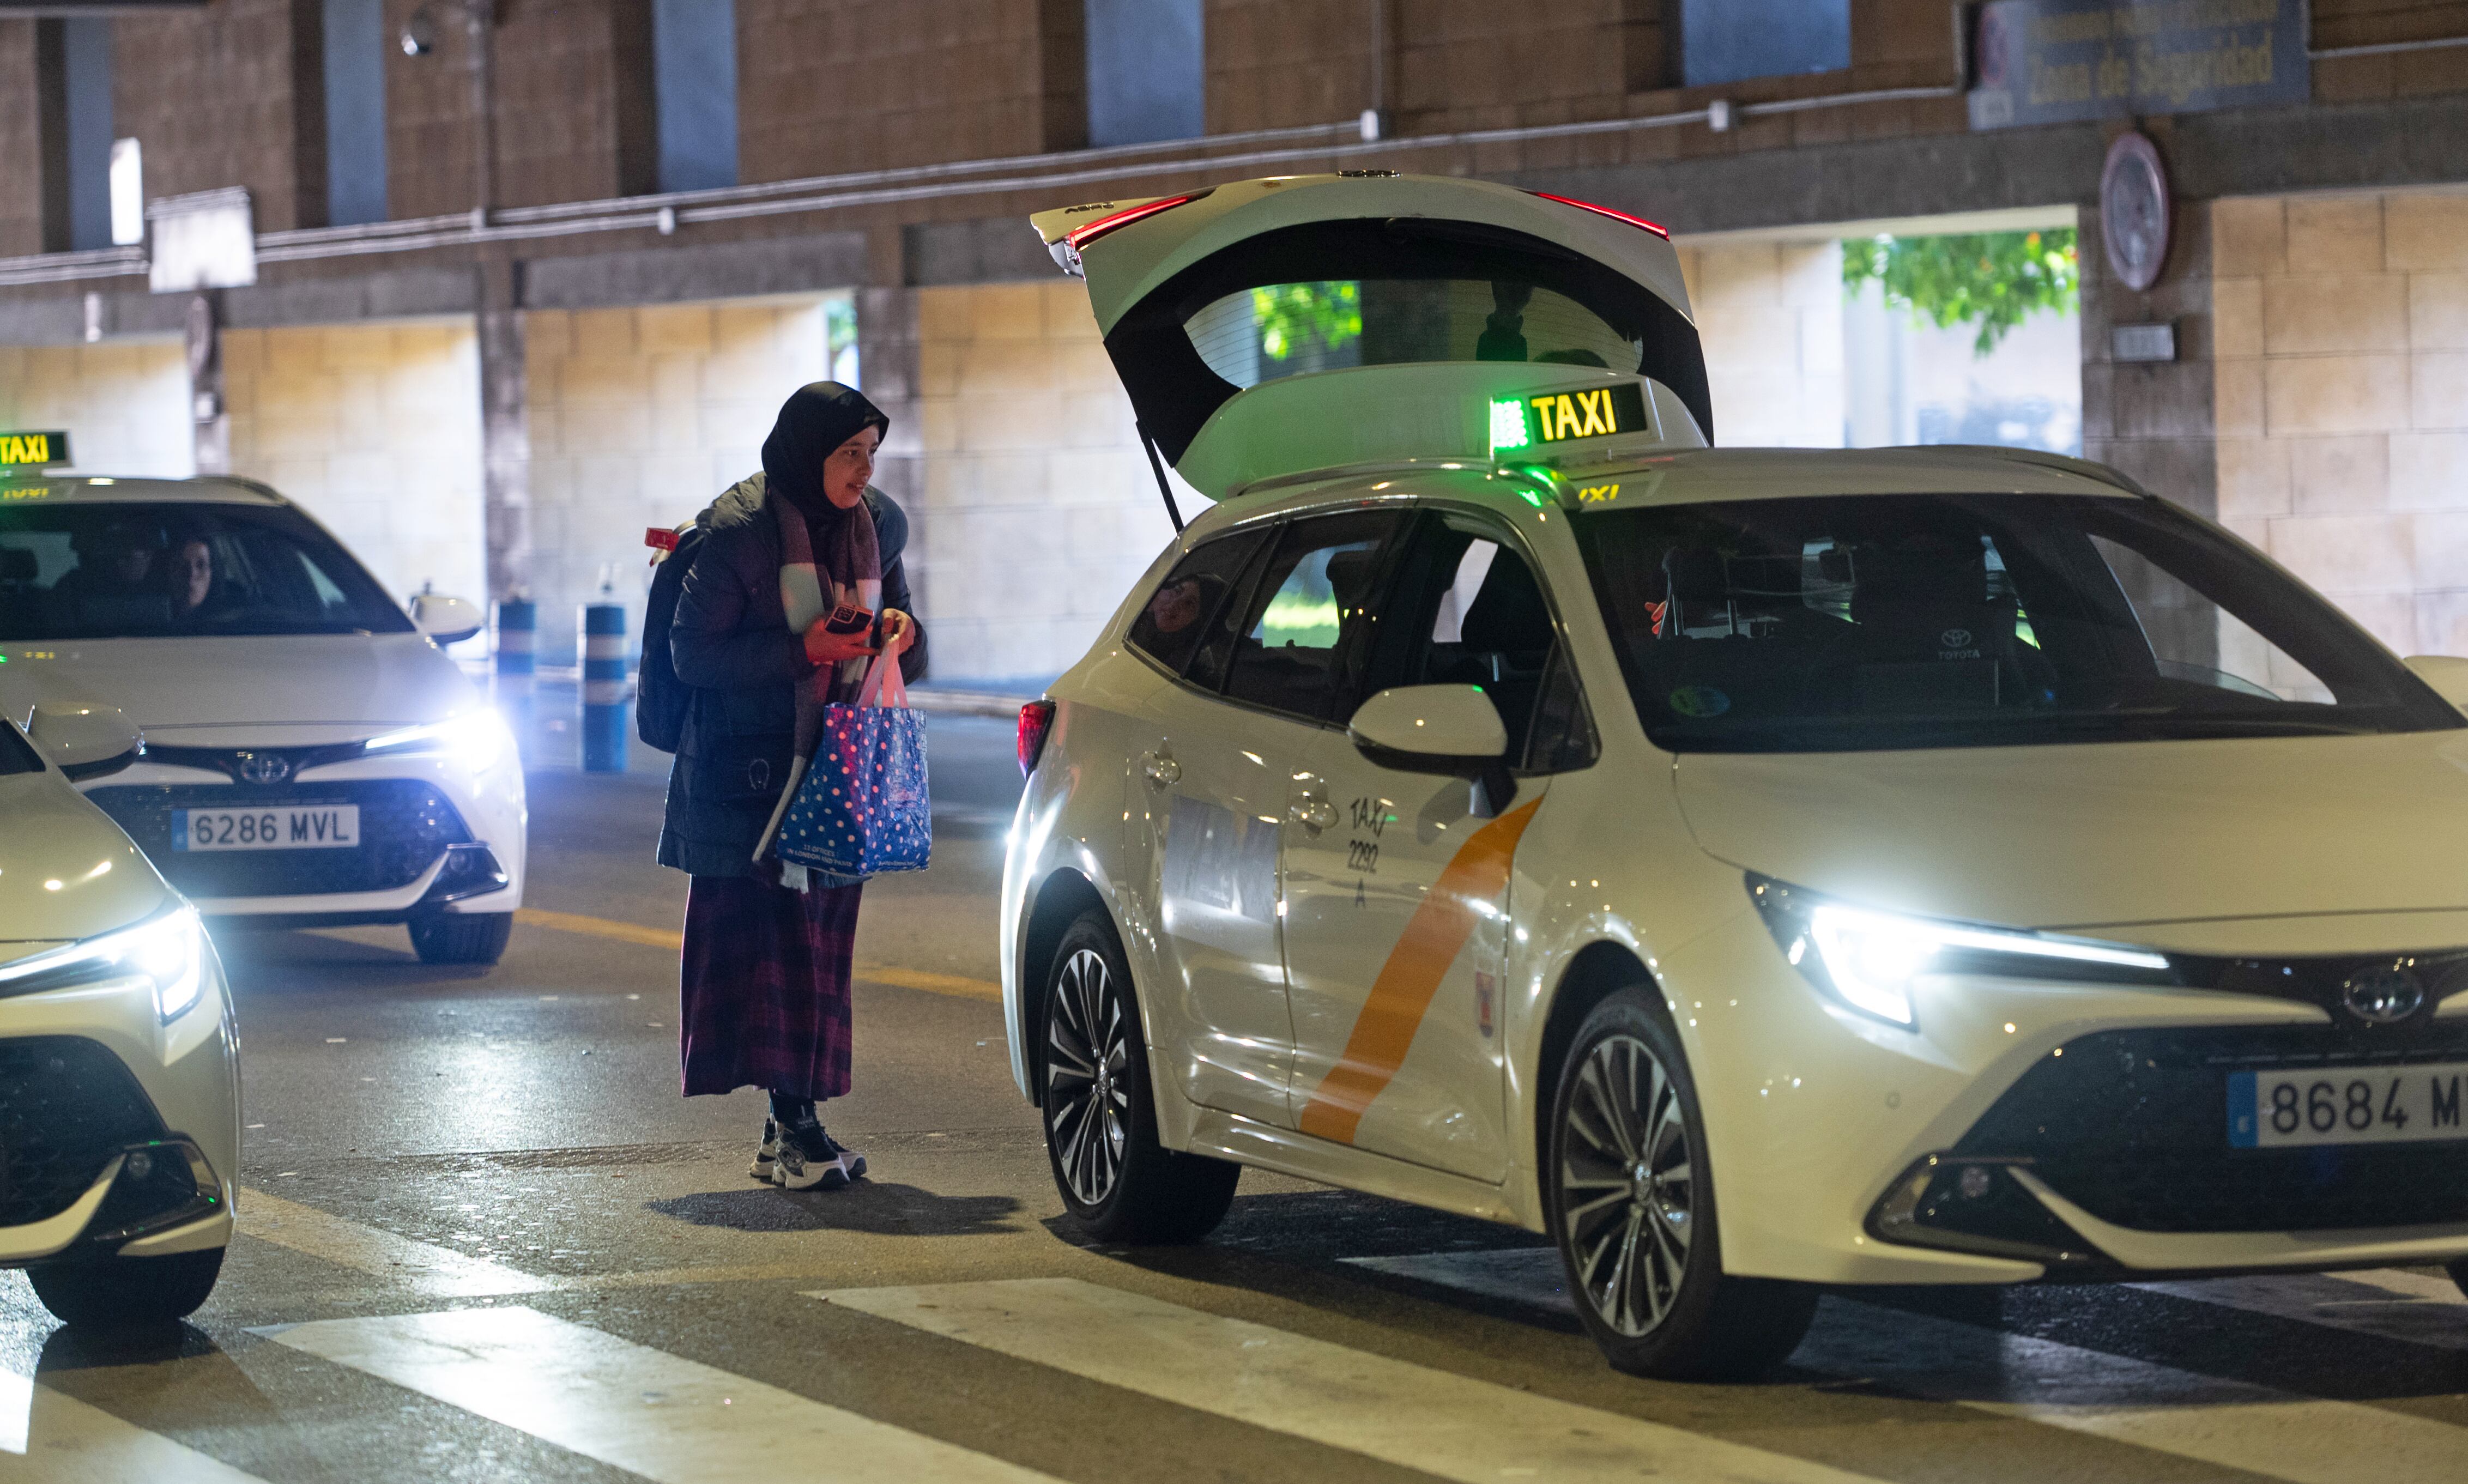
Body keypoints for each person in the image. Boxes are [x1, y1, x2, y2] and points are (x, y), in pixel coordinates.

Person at [658, 383, 925, 1192]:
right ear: (807, 451)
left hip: (841, 768)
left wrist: (899, 636)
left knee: (818, 953)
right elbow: (692, 658)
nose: (863, 470)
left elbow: (908, 642)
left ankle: (790, 1132)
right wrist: (803, 648)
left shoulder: (876, 529)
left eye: (872, 453)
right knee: (776, 952)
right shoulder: (741, 535)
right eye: (849, 453)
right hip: (751, 780)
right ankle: (797, 1130)